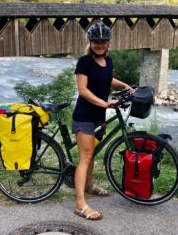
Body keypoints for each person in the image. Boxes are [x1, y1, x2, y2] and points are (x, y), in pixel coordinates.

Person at [72, 22, 135, 220]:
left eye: (103, 41)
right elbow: (83, 90)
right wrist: (105, 104)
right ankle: (80, 204)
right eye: (96, 41)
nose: (99, 45)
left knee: (92, 155)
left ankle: (89, 185)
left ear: (108, 43)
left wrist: (126, 86)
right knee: (85, 156)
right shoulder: (84, 62)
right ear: (90, 42)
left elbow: (108, 79)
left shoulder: (108, 61)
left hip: (99, 116)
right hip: (84, 115)